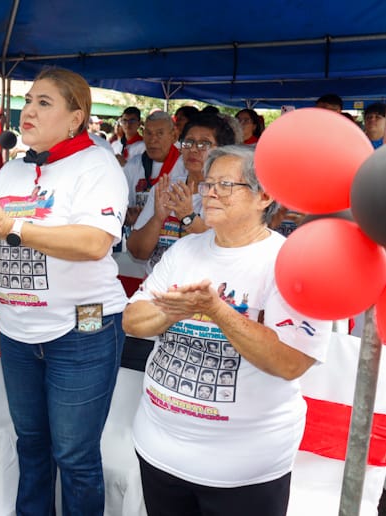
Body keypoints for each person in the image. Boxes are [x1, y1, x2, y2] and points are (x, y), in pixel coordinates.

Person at [0, 67, 129, 515]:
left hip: (83, 326)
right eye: (27, 100)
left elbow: (94, 242)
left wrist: (12, 226)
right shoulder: (12, 173)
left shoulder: (97, 164)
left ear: (75, 117)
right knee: (31, 445)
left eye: (44, 102)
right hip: (19, 328)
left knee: (75, 456)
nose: (28, 110)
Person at [122, 145, 331, 516]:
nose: (210, 193)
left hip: (243, 470)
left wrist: (216, 310)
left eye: (225, 184)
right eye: (207, 184)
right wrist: (177, 311)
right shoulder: (184, 250)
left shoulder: (291, 263)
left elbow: (290, 363)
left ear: (263, 196)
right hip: (159, 451)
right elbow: (133, 322)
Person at [127, 113, 237, 273]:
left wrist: (188, 217)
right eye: (189, 142)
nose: (193, 149)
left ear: (222, 151)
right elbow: (137, 252)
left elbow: (227, 248)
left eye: (204, 144)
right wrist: (157, 219)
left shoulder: (230, 193)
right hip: (157, 290)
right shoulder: (166, 188)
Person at [123, 111, 182, 226]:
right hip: (137, 239)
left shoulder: (185, 167)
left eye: (160, 133)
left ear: (174, 136)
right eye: (148, 133)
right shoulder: (133, 165)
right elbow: (123, 208)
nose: (153, 140)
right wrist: (127, 217)